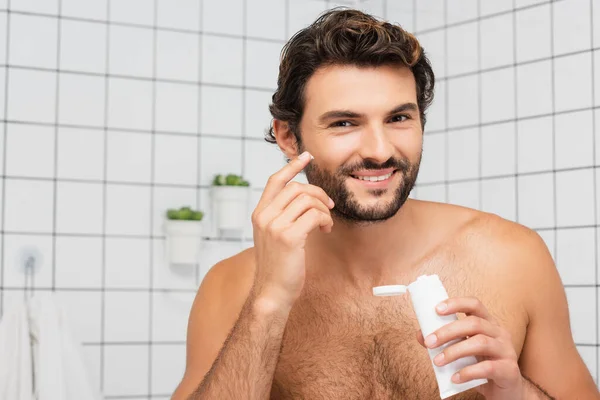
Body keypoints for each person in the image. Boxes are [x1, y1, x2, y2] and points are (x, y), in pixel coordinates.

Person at [172, 8, 600, 400]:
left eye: (398, 118)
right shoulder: (233, 286)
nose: (379, 150)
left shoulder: (513, 258)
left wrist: (516, 393)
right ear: (288, 136)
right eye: (344, 123)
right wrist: (267, 303)